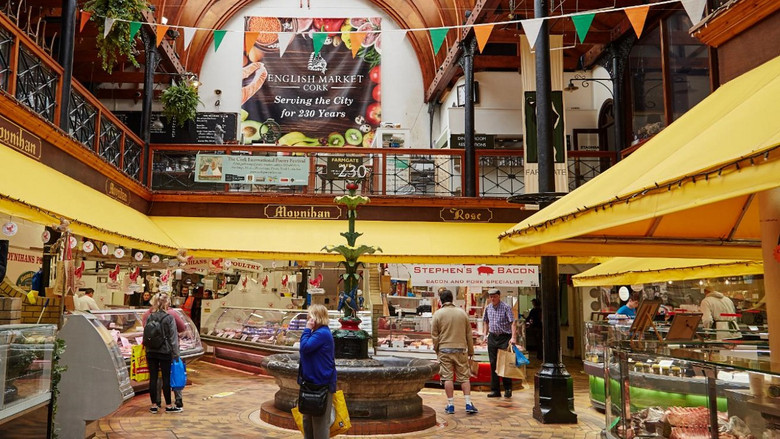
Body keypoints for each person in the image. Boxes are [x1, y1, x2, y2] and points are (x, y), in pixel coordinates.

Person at [431, 289, 477, 415]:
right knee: (464, 377)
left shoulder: (438, 314)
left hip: (444, 350)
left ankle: (450, 405)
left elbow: (434, 336)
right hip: (461, 349)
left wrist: (437, 349)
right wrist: (471, 351)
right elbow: (469, 334)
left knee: (447, 377)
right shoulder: (462, 313)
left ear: (441, 300)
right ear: (452, 299)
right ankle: (468, 403)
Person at [299, 304, 337, 439]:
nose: (307, 319)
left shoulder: (322, 334)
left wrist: (307, 330)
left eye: (309, 315)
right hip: (311, 383)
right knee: (308, 422)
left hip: (321, 384)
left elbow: (304, 348)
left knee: (320, 424)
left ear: (316, 317)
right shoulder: (319, 333)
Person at [142, 302, 188, 409]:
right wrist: (176, 354)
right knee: (167, 377)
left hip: (151, 351)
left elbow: (145, 331)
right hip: (165, 350)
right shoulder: (170, 316)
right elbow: (176, 335)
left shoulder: (148, 315)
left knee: (153, 378)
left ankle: (154, 404)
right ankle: (170, 404)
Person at [483, 289, 516, 398]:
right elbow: (486, 321)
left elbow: (512, 323)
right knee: (493, 364)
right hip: (492, 337)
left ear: (499, 296)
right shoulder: (488, 308)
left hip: (504, 338)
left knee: (505, 363)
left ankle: (507, 388)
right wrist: (485, 334)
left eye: (495, 296)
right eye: (491, 297)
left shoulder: (506, 307)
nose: (493, 299)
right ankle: (495, 390)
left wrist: (513, 337)